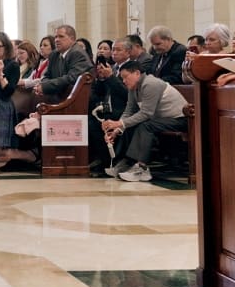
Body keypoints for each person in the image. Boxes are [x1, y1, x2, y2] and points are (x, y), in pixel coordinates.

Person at [101, 61, 188, 182]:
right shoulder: (134, 87)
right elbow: (129, 111)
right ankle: (126, 164)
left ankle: (142, 168)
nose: (124, 81)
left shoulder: (151, 84)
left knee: (145, 125)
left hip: (180, 120)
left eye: (126, 77)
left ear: (137, 73)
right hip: (161, 120)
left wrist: (119, 123)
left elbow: (146, 114)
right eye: (122, 78)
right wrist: (117, 129)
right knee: (132, 124)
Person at [88, 39, 130, 174]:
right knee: (90, 123)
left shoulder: (132, 68)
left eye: (118, 50)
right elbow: (101, 93)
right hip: (106, 109)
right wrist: (101, 78)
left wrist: (110, 77)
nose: (114, 53)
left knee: (100, 124)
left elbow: (127, 94)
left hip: (123, 110)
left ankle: (110, 161)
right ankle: (103, 159)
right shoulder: (113, 67)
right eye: (113, 50)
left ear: (128, 52)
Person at [35, 25, 93, 102]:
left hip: (75, 101)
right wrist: (43, 86)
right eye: (55, 37)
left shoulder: (78, 54)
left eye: (61, 36)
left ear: (72, 39)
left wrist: (45, 87)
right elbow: (46, 76)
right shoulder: (54, 54)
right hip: (57, 97)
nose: (56, 40)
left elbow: (71, 78)